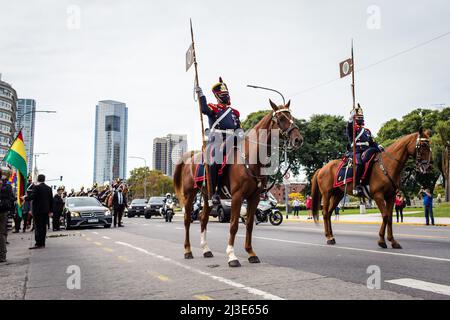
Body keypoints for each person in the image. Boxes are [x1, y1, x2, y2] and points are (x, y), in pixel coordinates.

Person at [195, 77, 242, 205]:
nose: (227, 97)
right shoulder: (213, 108)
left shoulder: (234, 112)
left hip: (234, 140)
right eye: (224, 95)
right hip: (217, 140)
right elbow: (204, 109)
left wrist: (241, 134)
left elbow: (239, 128)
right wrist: (201, 95)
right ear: (218, 96)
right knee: (215, 161)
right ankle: (214, 191)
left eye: (227, 94)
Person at [346, 104, 384, 197]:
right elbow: (349, 125)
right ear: (355, 119)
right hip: (356, 151)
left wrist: (378, 146)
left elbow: (372, 142)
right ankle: (356, 185)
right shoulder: (353, 130)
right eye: (358, 117)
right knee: (359, 163)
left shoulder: (367, 131)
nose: (361, 119)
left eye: (362, 117)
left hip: (367, 150)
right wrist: (351, 117)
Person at [24, 174, 53, 249]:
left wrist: (24, 198)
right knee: (43, 227)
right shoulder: (49, 188)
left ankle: (38, 243)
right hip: (45, 211)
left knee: (37, 227)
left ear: (37, 179)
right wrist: (51, 211)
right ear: (44, 179)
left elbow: (32, 196)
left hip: (37, 211)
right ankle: (42, 243)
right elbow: (51, 200)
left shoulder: (36, 187)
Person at [0, 170, 15, 263]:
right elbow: (12, 198)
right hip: (4, 211)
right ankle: (2, 255)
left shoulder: (4, 185)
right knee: (1, 233)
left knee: (1, 233)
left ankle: (2, 255)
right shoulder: (7, 185)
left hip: (2, 211)